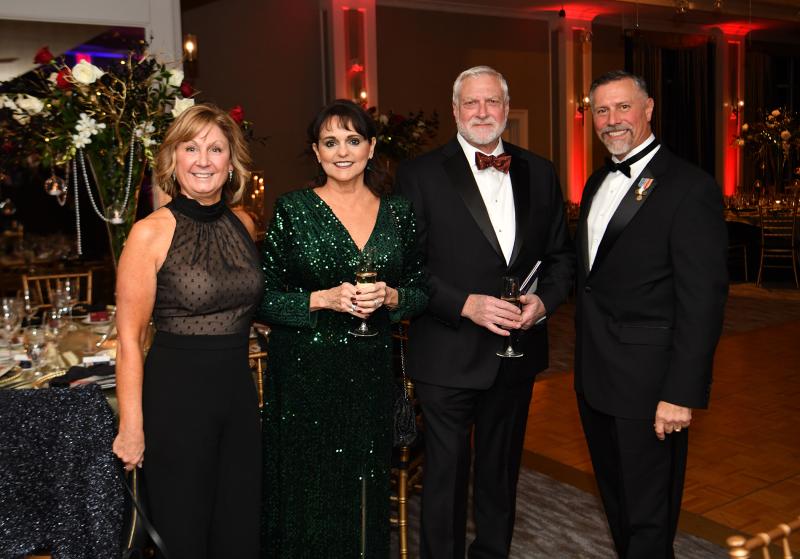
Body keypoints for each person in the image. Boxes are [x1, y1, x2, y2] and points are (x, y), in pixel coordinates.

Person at [395, 66, 574, 558]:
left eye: (491, 102)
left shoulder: (540, 170)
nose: (481, 112)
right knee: (447, 477)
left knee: (500, 473)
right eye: (471, 103)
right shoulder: (419, 173)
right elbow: (405, 266)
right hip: (448, 350)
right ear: (455, 111)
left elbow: (561, 257)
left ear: (505, 110)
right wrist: (465, 304)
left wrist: (544, 303)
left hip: (518, 352)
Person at [258, 99, 428, 557]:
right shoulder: (293, 210)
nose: (342, 151)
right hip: (304, 373)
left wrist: (393, 297)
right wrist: (323, 298)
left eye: (353, 140)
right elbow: (263, 297)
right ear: (316, 153)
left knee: (363, 486)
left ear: (371, 148)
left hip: (369, 370)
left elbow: (420, 290)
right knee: (308, 489)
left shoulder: (398, 213)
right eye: (330, 142)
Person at [574, 70, 728, 558]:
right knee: (618, 504)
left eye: (623, 107)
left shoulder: (689, 186)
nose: (612, 120)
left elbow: (703, 301)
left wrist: (681, 393)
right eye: (602, 110)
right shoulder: (596, 180)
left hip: (651, 385)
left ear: (648, 109)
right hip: (594, 377)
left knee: (649, 515)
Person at [112, 103, 263, 558]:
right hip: (176, 403)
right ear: (173, 158)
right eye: (191, 147)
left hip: (238, 399)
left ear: (231, 162)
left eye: (215, 149)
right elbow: (130, 339)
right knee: (185, 536)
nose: (203, 159)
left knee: (240, 531)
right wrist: (132, 427)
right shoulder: (149, 233)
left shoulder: (244, 222)